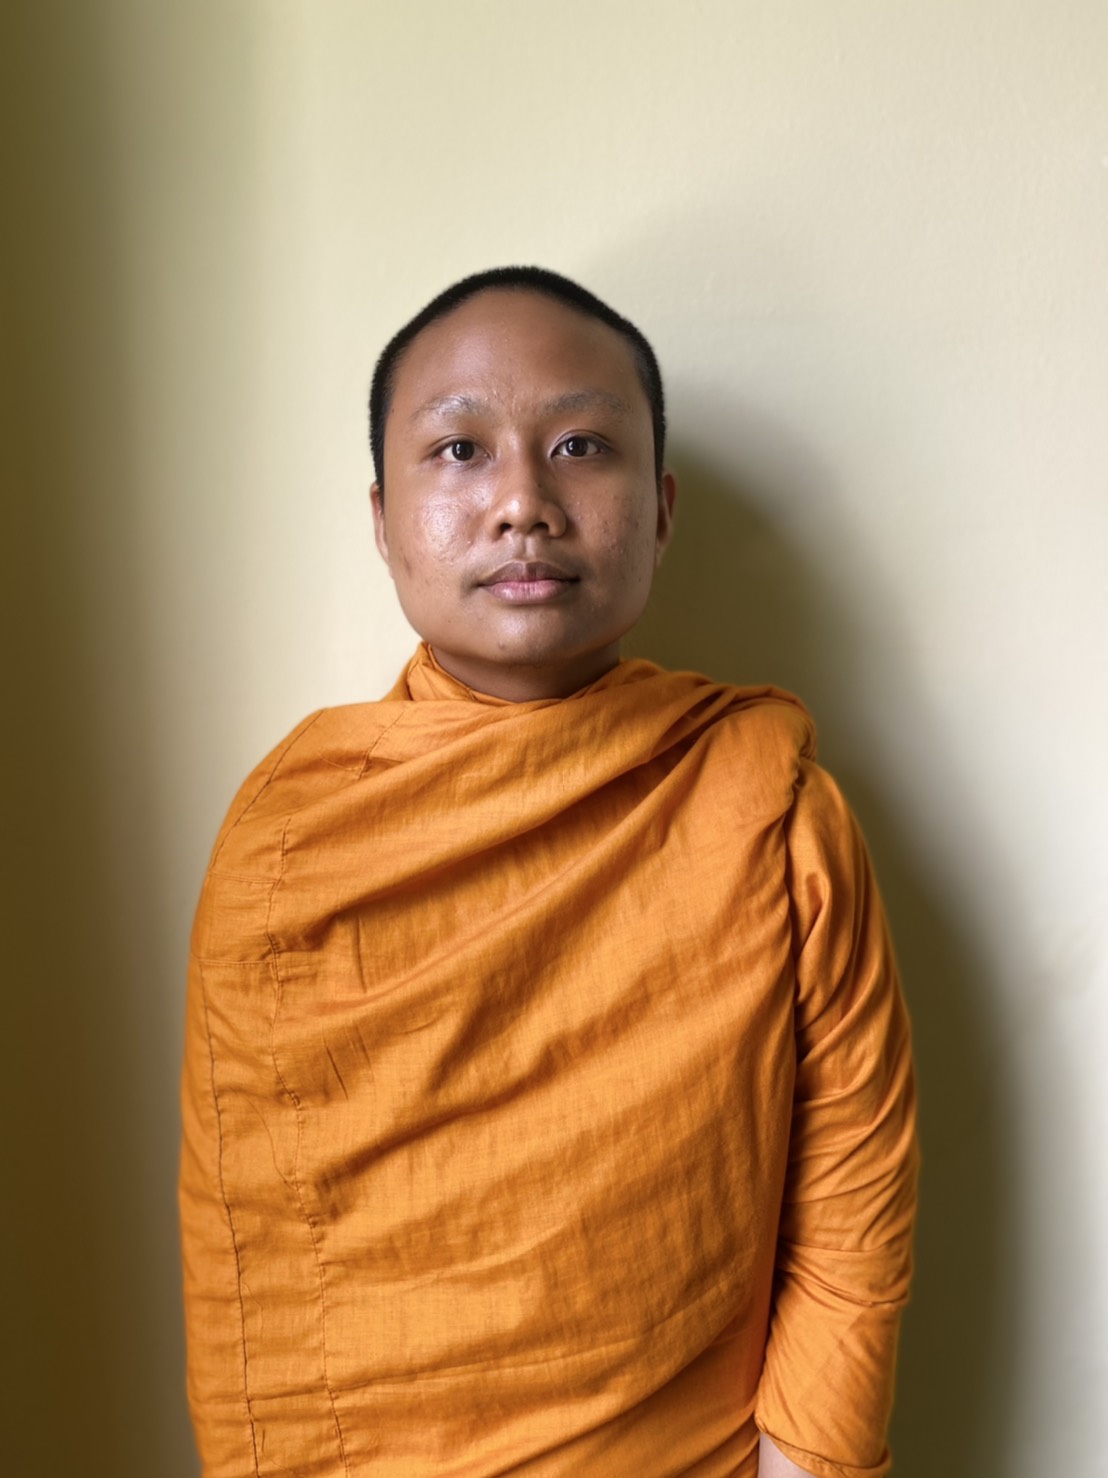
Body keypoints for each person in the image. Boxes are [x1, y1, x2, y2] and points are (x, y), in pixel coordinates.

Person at [179, 266, 918, 1478]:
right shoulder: (293, 835)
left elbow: (853, 1184)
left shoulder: (763, 799)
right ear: (384, 521)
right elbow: (243, 1246)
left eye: (580, 445)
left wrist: (804, 1462)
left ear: (661, 511)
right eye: (459, 450)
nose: (523, 502)